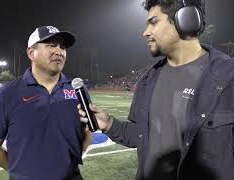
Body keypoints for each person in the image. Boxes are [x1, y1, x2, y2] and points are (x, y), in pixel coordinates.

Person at [78, 0, 234, 180]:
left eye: (153, 22)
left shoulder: (228, 78)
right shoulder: (148, 80)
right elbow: (140, 135)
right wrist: (109, 124)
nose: (145, 32)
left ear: (185, 20)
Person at [0, 26, 92, 180]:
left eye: (63, 47)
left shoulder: (78, 89)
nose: (59, 51)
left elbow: (88, 130)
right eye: (51, 45)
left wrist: (73, 158)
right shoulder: (8, 94)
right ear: (31, 53)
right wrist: (19, 172)